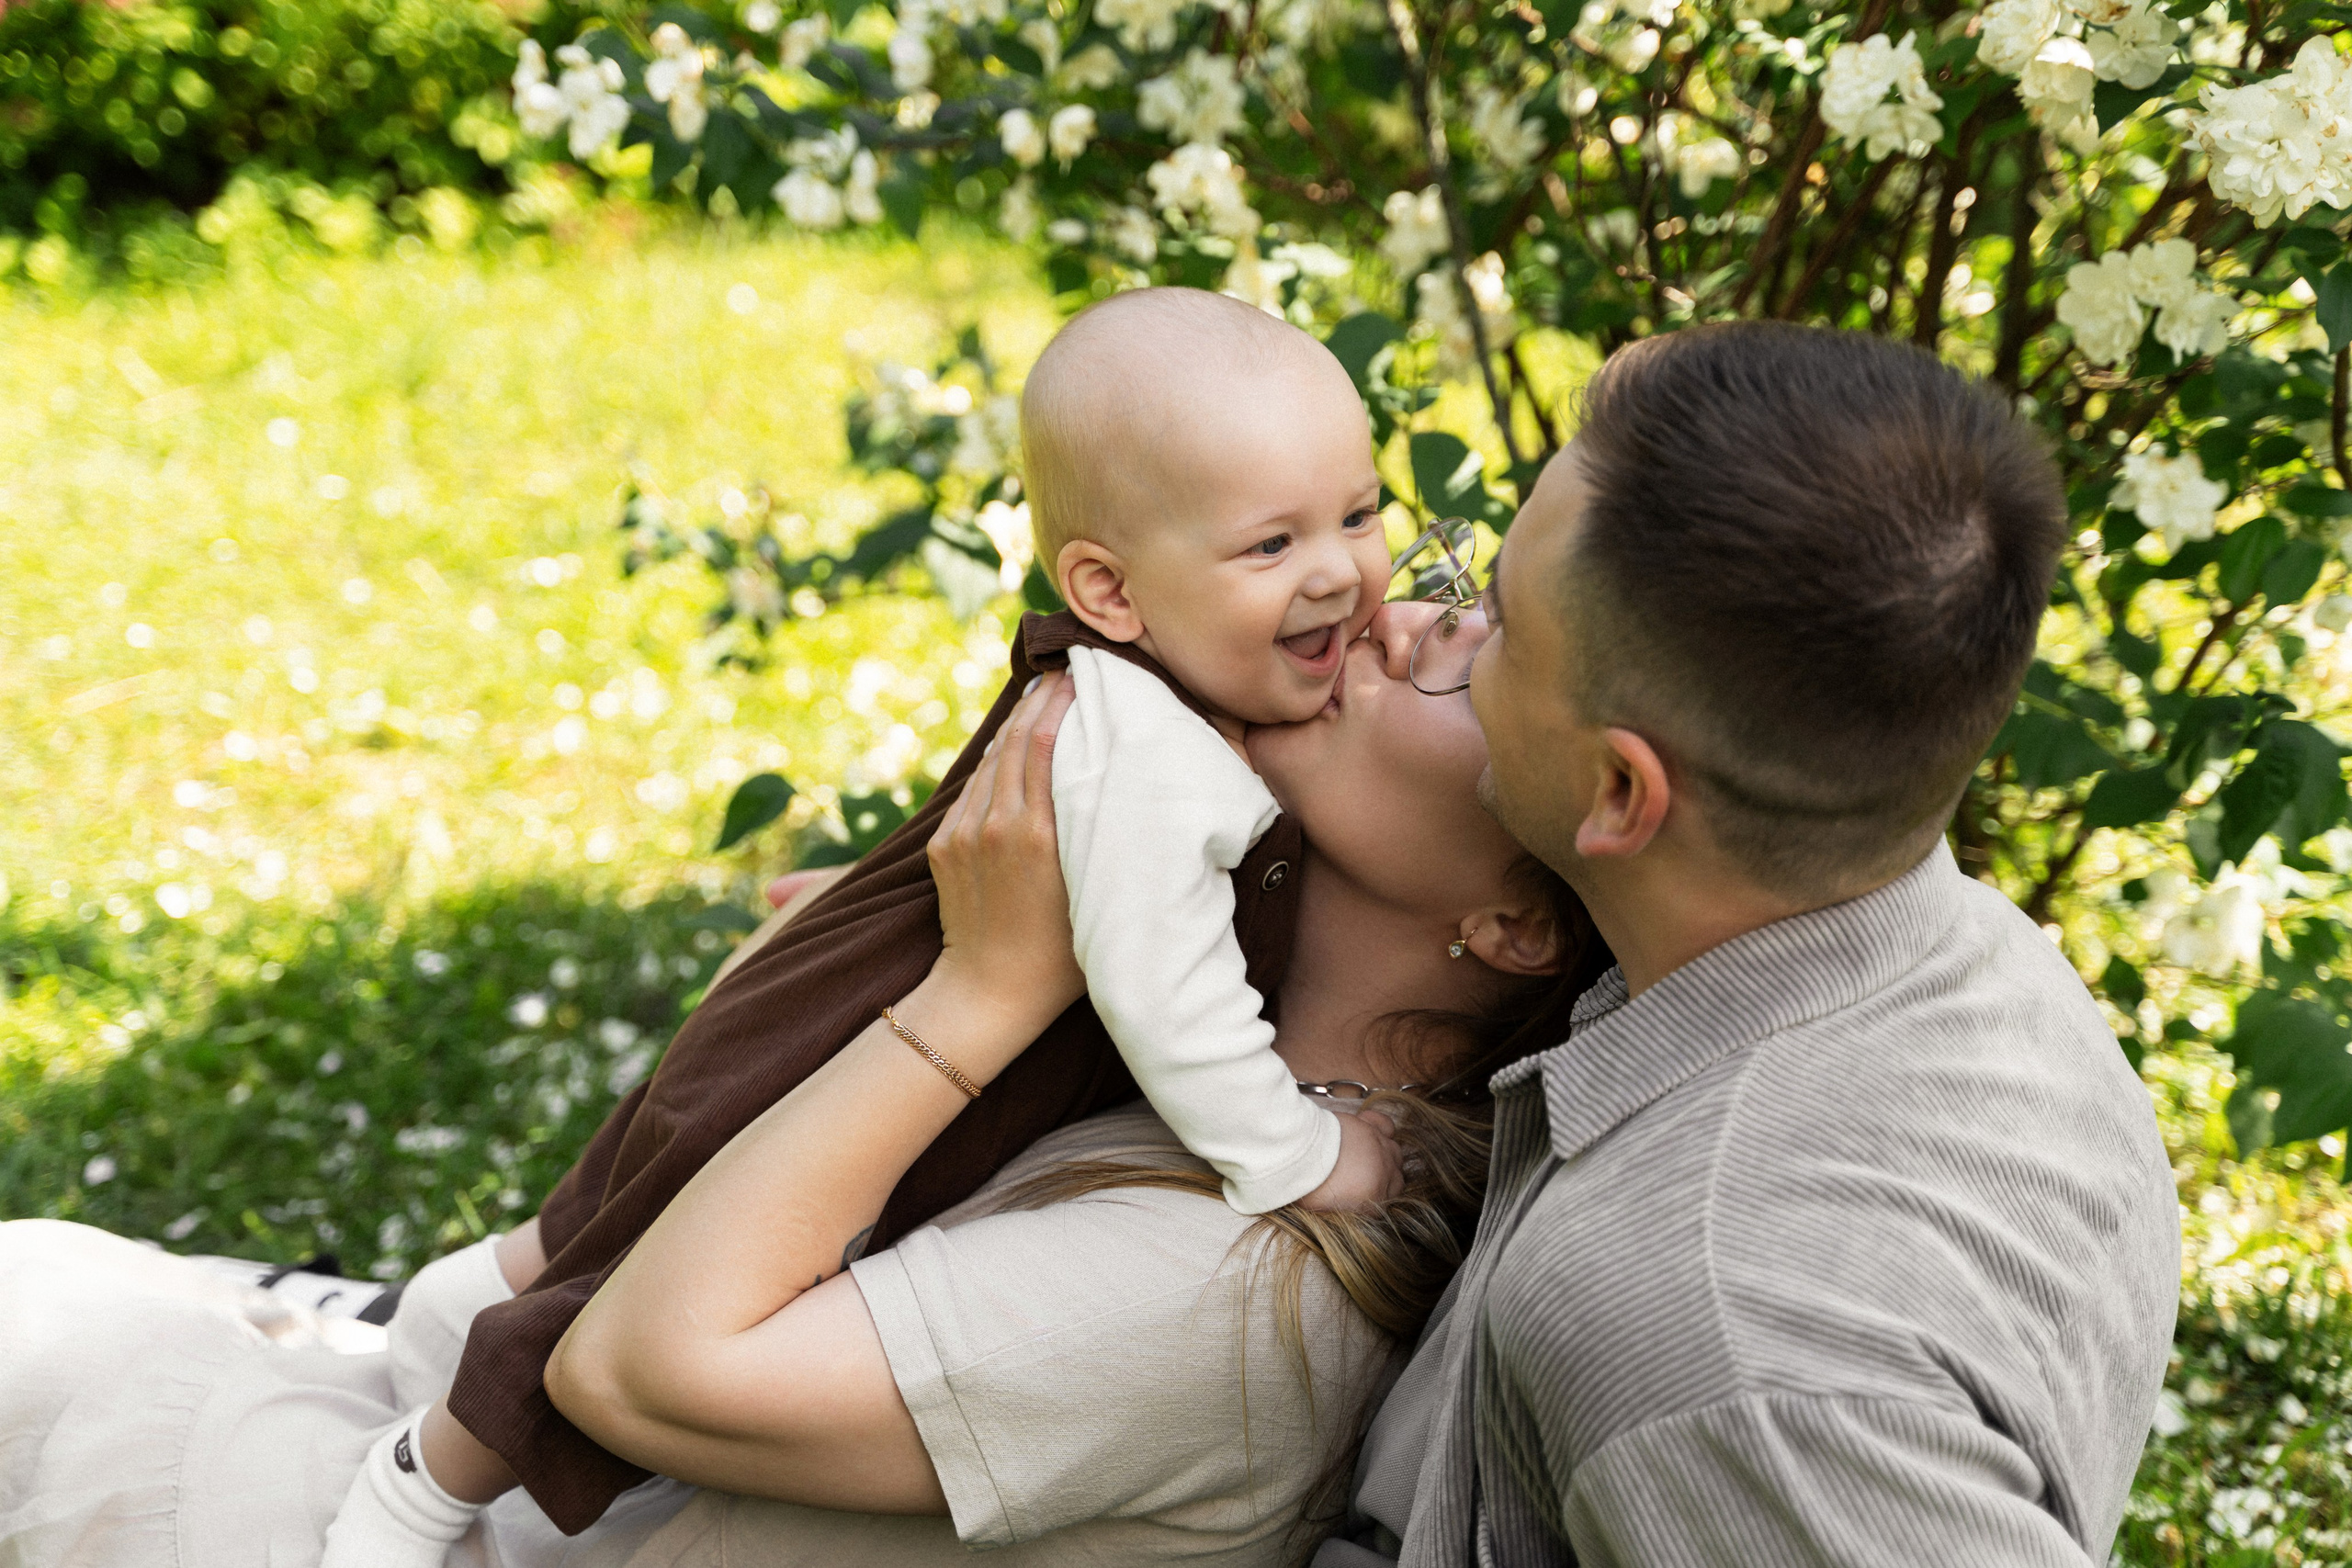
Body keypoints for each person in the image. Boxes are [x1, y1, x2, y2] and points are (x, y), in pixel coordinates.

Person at [0, 603, 1598, 1568]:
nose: (1396, 617)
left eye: (1474, 665)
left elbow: (638, 1373)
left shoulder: (1236, 1284)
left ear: (1512, 922)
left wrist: (971, 1002)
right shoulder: (1216, 1039)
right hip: (434, 1463)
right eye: (1456, 591)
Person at [389, 287, 1406, 1560]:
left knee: (621, 1207)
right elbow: (1166, 994)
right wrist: (1295, 1157)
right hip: (873, 1031)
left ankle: (468, 1309)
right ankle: (416, 1486)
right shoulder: (1158, 750)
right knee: (631, 1251)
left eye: (1362, 514)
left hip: (864, 999)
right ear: (1111, 590)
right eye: (1272, 547)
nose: (1346, 577)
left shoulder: (1185, 701)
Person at [1320, 323, 2181, 1565]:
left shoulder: (1707, 1322)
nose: (1416, 616)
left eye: (1498, 619)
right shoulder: (1984, 969)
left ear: (1623, 794)